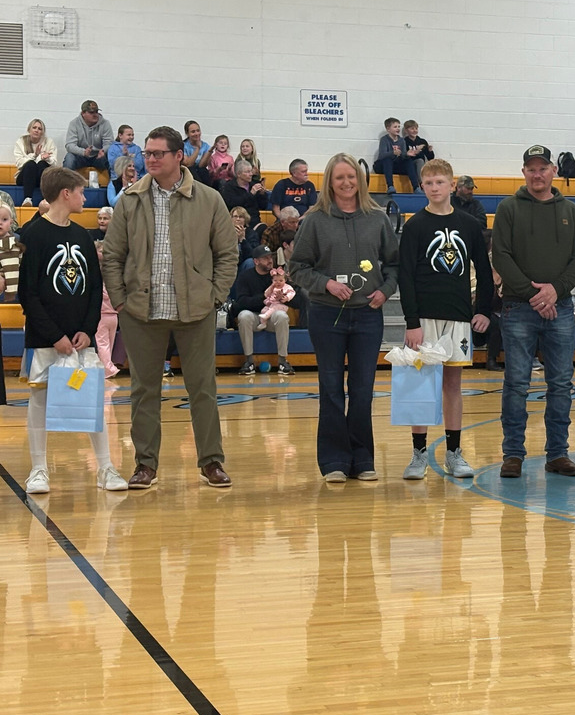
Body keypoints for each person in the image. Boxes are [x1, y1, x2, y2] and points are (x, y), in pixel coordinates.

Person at [101, 125, 237, 490]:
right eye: (147, 153)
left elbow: (227, 254)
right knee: (144, 391)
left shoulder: (209, 199)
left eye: (158, 153)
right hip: (141, 312)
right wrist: (121, 301)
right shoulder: (129, 200)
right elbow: (112, 256)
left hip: (195, 310)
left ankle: (211, 461)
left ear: (179, 156)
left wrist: (214, 296)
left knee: (202, 389)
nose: (150, 159)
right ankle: (145, 465)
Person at [289, 152, 399, 482]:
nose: (347, 183)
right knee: (331, 388)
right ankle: (334, 461)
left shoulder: (377, 218)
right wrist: (326, 284)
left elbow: (394, 264)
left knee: (363, 390)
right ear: (329, 182)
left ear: (360, 180)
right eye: (339, 178)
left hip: (368, 316)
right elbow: (297, 268)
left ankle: (363, 459)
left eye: (351, 177)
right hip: (328, 317)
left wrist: (385, 289)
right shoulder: (314, 221)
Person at [17, 167, 128, 494]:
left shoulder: (83, 236)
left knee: (92, 400)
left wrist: (85, 330)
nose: (84, 197)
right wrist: (54, 335)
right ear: (66, 193)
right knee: (39, 400)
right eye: (80, 192)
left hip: (82, 339)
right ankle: (39, 470)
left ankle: (105, 467)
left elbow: (95, 289)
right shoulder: (33, 236)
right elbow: (28, 293)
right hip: (44, 337)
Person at [491, 144, 575, 478]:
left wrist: (553, 291)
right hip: (518, 307)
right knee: (516, 383)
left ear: (553, 172)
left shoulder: (571, 211)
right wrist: (534, 294)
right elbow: (500, 255)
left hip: (559, 307)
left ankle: (558, 454)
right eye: (531, 168)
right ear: (523, 173)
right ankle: (513, 454)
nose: (537, 174)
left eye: (542, 168)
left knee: (561, 384)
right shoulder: (507, 208)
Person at [398, 158, 492, 480]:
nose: (434, 188)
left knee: (453, 385)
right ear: (422, 187)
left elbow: (484, 269)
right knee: (420, 386)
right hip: (424, 318)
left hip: (459, 317)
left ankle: (454, 453)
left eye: (440, 182)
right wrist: (412, 322)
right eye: (428, 183)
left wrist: (483, 309)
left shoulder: (469, 225)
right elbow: (405, 276)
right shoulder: (414, 226)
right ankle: (418, 454)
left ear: (452, 185)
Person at [234, 245, 298, 375]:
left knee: (282, 316)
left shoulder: (278, 276)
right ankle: (249, 361)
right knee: (243, 315)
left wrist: (285, 298)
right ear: (256, 261)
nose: (269, 260)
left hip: (272, 317)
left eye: (270, 257)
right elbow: (241, 303)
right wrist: (264, 296)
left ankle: (282, 361)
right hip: (255, 317)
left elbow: (296, 300)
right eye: (265, 258)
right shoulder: (246, 276)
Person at [372, 117, 421, 194]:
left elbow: (403, 156)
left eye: (398, 127)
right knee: (387, 160)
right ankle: (390, 186)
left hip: (395, 166)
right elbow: (381, 155)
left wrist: (407, 154)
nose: (398, 129)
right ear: (388, 129)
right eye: (395, 127)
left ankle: (416, 187)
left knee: (408, 161)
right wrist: (392, 153)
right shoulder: (384, 139)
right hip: (384, 166)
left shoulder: (401, 140)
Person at [93, 240, 120, 378]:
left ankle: (108, 369)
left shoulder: (97, 274)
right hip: (110, 315)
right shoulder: (113, 274)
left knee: (104, 343)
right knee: (107, 343)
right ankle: (108, 366)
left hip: (105, 315)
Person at [14, 118, 56, 205]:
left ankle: (45, 200)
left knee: (42, 164)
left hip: (42, 177)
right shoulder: (21, 142)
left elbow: (54, 163)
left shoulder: (49, 142)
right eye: (34, 127)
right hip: (25, 177)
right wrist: (35, 155)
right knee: (30, 164)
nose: (37, 130)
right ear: (29, 129)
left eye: (39, 129)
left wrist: (46, 158)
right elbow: (19, 163)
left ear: (42, 132)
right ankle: (27, 199)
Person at [63, 100, 113, 171]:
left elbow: (109, 143)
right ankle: (66, 181)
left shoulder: (105, 124)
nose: (95, 115)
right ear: (83, 113)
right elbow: (69, 145)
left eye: (96, 112)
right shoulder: (74, 124)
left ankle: (114, 181)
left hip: (98, 156)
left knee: (112, 158)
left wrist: (103, 151)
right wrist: (83, 152)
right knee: (69, 158)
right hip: (81, 156)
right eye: (91, 112)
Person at [219, 158, 268, 227]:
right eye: (247, 172)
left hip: (253, 221)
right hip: (236, 221)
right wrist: (250, 194)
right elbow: (232, 204)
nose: (251, 174)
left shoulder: (253, 185)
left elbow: (263, 206)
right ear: (239, 174)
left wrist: (262, 195)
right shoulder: (229, 187)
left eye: (251, 171)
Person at [0, 203, 21, 302]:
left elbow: (14, 269)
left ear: (11, 223)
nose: (0, 223)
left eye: (4, 220)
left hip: (11, 290)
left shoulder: (15, 243)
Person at [181, 120, 211, 186]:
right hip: (188, 172)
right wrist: (197, 148)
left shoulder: (206, 146)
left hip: (200, 172)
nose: (196, 133)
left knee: (203, 171)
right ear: (187, 133)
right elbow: (188, 164)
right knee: (192, 170)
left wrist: (209, 152)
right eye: (193, 132)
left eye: (198, 130)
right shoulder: (183, 146)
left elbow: (202, 165)